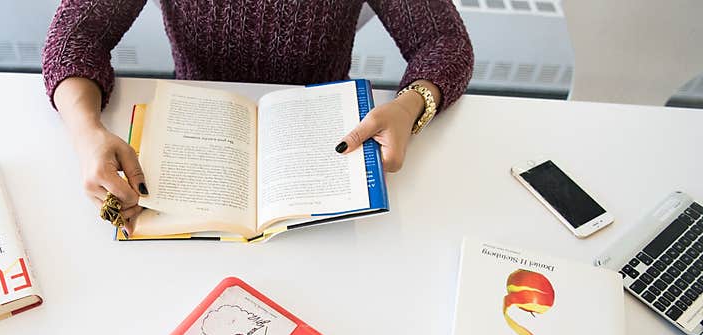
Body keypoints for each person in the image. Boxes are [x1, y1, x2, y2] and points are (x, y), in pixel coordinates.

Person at [42, 0, 473, 234]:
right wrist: (86, 133)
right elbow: (76, 35)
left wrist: (410, 104)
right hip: (193, 140)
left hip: (322, 149)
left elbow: (443, 39)